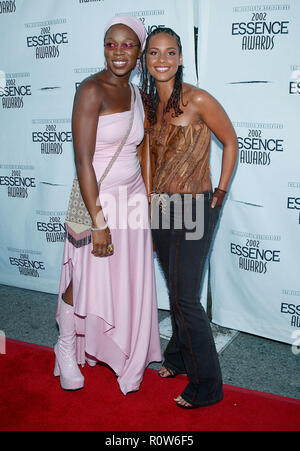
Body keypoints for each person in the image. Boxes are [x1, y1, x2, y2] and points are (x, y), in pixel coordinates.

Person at [54, 16, 162, 396]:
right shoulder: (90, 90)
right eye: (111, 43)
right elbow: (82, 160)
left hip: (131, 196)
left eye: (127, 44)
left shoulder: (137, 95)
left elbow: (141, 150)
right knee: (82, 278)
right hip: (94, 197)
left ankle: (123, 350)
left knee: (122, 278)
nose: (118, 51)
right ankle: (65, 348)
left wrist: (147, 202)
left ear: (138, 54)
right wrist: (98, 222)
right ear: (104, 47)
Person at [139, 27, 238, 409]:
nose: (162, 60)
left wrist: (221, 191)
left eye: (170, 53)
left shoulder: (197, 99)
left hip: (195, 207)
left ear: (180, 58)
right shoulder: (150, 105)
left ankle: (208, 386)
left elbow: (230, 140)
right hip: (161, 208)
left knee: (185, 298)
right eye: (154, 54)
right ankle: (178, 358)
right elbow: (148, 155)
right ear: (146, 61)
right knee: (177, 291)